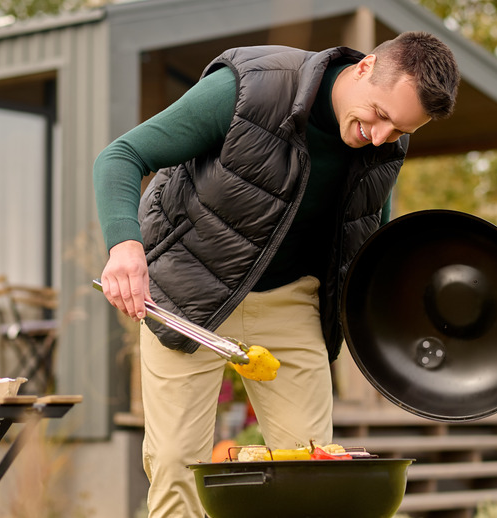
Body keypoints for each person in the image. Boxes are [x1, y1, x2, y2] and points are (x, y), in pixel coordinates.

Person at [93, 31, 460, 517]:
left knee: (312, 467)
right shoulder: (251, 89)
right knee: (178, 463)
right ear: (366, 67)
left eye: (398, 130)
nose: (380, 137)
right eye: (380, 116)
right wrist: (125, 245)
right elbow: (120, 156)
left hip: (292, 302)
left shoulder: (386, 143)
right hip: (191, 292)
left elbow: (368, 233)